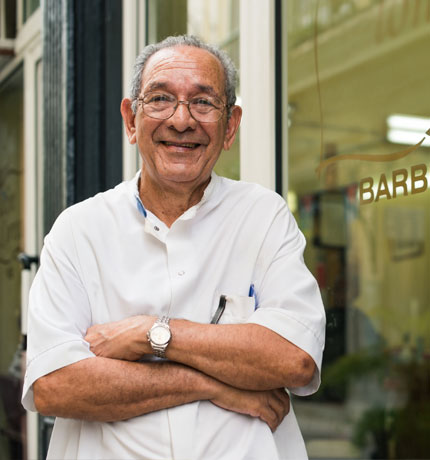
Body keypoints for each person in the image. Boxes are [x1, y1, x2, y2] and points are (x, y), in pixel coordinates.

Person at [22, 35, 325, 460]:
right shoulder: (78, 230)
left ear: (230, 126)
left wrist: (151, 333)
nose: (182, 121)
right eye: (161, 99)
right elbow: (55, 385)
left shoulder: (264, 217)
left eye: (203, 103)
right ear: (131, 119)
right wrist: (216, 382)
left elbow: (294, 359)